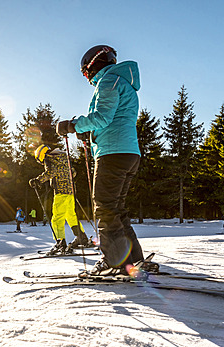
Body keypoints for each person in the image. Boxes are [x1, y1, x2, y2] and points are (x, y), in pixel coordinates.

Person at [56, 44, 155, 275]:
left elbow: (102, 117)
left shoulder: (108, 81)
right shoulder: (125, 84)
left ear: (93, 66)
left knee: (105, 210)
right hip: (128, 152)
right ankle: (133, 260)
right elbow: (113, 118)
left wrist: (72, 125)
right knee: (116, 209)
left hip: (112, 154)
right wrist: (87, 131)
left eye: (85, 73)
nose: (86, 78)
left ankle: (115, 263)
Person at [29, 144, 89, 254]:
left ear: (41, 155)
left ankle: (60, 243)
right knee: (70, 215)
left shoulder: (49, 159)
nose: (42, 162)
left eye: (40, 160)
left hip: (60, 192)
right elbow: (74, 172)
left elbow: (51, 172)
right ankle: (81, 237)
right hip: (70, 192)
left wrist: (38, 180)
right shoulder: (64, 158)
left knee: (57, 218)